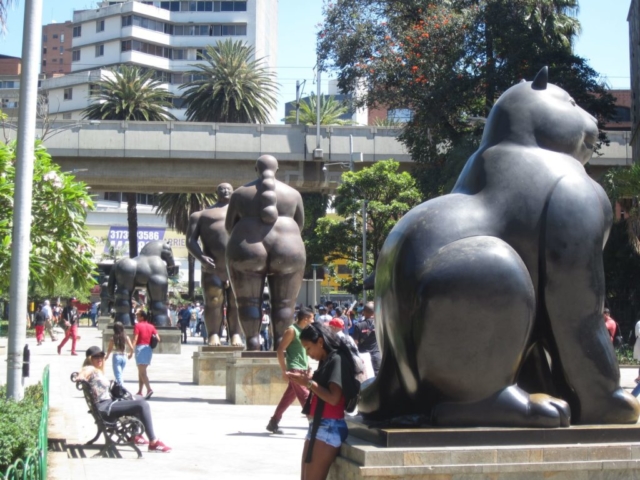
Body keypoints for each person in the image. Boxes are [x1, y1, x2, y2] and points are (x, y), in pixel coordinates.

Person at [225, 155, 306, 351]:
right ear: (277, 169)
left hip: (247, 244)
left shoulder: (239, 194)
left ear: (256, 169)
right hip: (289, 245)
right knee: (285, 303)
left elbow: (229, 226)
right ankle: (281, 345)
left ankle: (252, 344)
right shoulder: (293, 194)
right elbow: (300, 224)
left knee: (248, 302)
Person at [288, 323, 359, 480]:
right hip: (319, 426)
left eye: (308, 348)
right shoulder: (328, 359)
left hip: (328, 427)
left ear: (320, 342)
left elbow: (334, 398)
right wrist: (309, 379)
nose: (308, 354)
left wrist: (308, 383)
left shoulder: (337, 360)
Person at [75, 346, 171, 452]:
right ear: (89, 359)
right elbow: (84, 372)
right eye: (96, 357)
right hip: (105, 408)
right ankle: (153, 442)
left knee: (138, 398)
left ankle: (135, 435)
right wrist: (80, 377)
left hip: (107, 404)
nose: (99, 359)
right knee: (143, 405)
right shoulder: (91, 369)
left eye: (101, 356)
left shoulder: (97, 371)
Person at [186, 182, 241, 346]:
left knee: (236, 302)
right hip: (212, 266)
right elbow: (190, 241)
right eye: (222, 189)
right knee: (213, 301)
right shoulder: (201, 215)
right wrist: (201, 258)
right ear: (216, 192)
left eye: (229, 189)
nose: (225, 191)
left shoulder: (242, 214)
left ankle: (236, 334)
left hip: (236, 267)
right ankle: (213, 334)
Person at [266, 307, 314, 434]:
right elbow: (280, 349)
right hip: (294, 368)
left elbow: (303, 352)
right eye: (311, 318)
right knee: (306, 397)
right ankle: (313, 424)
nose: (313, 321)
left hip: (302, 369)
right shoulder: (292, 330)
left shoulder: (303, 331)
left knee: (288, 398)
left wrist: (307, 367)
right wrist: (284, 370)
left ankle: (274, 422)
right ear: (305, 319)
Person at [132, 310, 160, 399]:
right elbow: (158, 338)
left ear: (142, 317)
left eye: (138, 316)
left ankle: (149, 389)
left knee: (142, 372)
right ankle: (140, 391)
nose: (137, 317)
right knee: (141, 371)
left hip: (140, 348)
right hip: (148, 349)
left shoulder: (137, 325)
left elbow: (135, 338)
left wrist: (131, 350)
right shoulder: (151, 326)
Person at [352, 302, 381, 375]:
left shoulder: (358, 325)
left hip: (363, 357)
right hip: (376, 356)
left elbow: (355, 343)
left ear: (364, 312)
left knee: (365, 379)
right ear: (374, 312)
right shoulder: (380, 324)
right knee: (377, 377)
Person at [105, 321, 135, 385]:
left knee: (118, 375)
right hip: (124, 356)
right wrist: (131, 354)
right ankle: (118, 387)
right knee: (120, 373)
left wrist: (107, 356)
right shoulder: (126, 337)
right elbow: (132, 348)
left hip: (116, 356)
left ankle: (121, 388)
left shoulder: (113, 338)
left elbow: (109, 349)